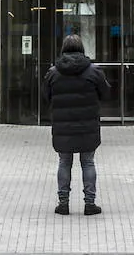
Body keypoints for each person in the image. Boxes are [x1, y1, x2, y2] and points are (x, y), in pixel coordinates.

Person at [43, 33, 112, 216]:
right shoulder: (94, 71)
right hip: (87, 125)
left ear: (63, 49)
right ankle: (90, 203)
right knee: (88, 162)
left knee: (64, 162)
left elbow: (46, 97)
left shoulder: (53, 73)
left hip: (62, 127)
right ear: (82, 48)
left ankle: (63, 203)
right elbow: (106, 94)